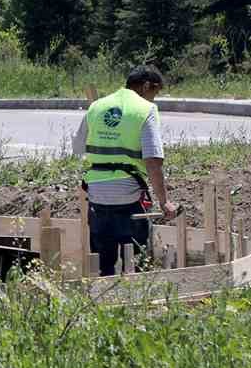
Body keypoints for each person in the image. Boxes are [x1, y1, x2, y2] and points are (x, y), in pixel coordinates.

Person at [73, 65, 179, 276]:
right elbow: (153, 161)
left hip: (97, 196)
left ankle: (103, 303)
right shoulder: (145, 109)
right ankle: (134, 301)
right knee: (137, 263)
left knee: (103, 265)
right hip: (128, 197)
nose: (153, 99)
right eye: (154, 93)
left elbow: (78, 148)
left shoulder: (97, 106)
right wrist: (164, 201)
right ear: (147, 85)